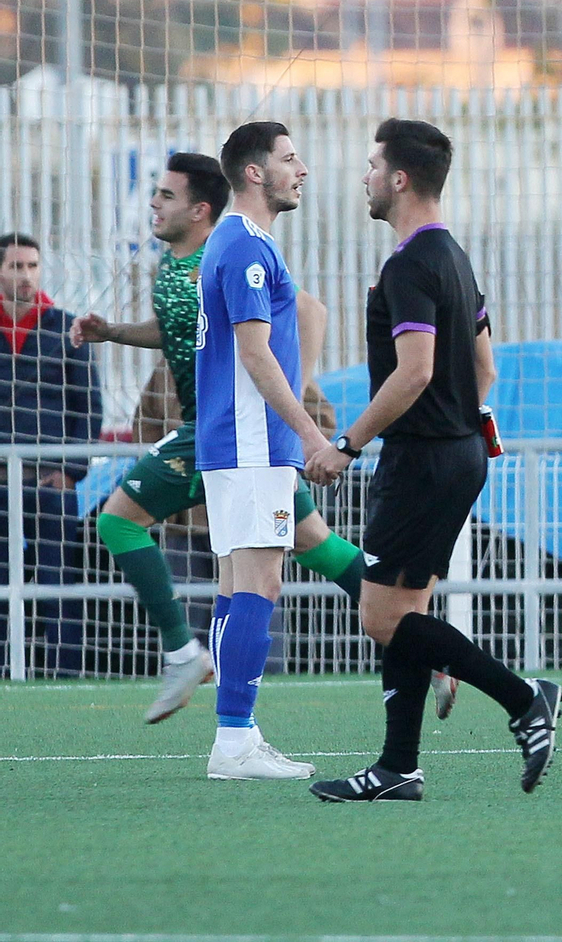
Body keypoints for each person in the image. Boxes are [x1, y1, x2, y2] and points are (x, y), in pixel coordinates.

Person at [71, 152, 400, 723]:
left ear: (200, 209)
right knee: (316, 545)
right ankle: (420, 640)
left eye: (166, 195)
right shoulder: (174, 263)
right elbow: (182, 327)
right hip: (218, 434)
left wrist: (290, 404)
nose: (154, 203)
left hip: (230, 432)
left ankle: (189, 661)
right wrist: (115, 332)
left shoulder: (222, 252)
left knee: (123, 522)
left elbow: (309, 312)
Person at [305, 118, 560, 802]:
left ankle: (525, 697)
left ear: (398, 179)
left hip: (421, 462)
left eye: (371, 165)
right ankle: (398, 768)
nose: (364, 177)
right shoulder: (454, 257)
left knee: (381, 618)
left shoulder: (411, 264)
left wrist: (346, 444)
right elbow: (485, 367)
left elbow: (415, 371)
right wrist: (458, 423)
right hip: (458, 455)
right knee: (405, 613)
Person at [194, 122, 327, 779]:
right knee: (261, 581)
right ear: (254, 172)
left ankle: (236, 735)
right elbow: (254, 353)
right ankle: (233, 740)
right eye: (289, 159)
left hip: (236, 439)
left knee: (235, 584)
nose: (300, 170)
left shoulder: (240, 241)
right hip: (251, 439)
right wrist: (310, 433)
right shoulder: (245, 245)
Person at [0, 232, 101, 674]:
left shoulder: (65, 327)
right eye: (15, 266)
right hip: (2, 483)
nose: (26, 275)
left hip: (50, 484)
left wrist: (71, 471)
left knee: (59, 584)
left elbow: (89, 407)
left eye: (32, 266)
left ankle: (66, 673)